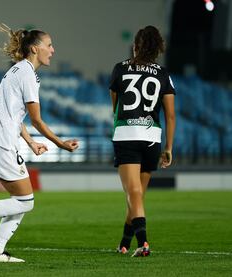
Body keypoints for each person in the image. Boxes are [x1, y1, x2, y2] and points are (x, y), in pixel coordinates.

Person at [0, 22, 79, 262]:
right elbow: (37, 120)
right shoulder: (27, 74)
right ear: (34, 48)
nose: (52, 50)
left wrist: (30, 142)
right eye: (49, 45)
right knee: (26, 201)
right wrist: (61, 144)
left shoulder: (19, 71)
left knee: (22, 201)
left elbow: (16, 116)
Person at [109, 26, 176, 257]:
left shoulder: (120, 68)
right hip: (152, 137)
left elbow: (115, 107)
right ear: (158, 48)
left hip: (127, 135)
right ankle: (124, 243)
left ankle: (144, 243)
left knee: (133, 193)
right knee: (137, 195)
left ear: (135, 45)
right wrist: (168, 147)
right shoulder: (163, 74)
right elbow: (170, 115)